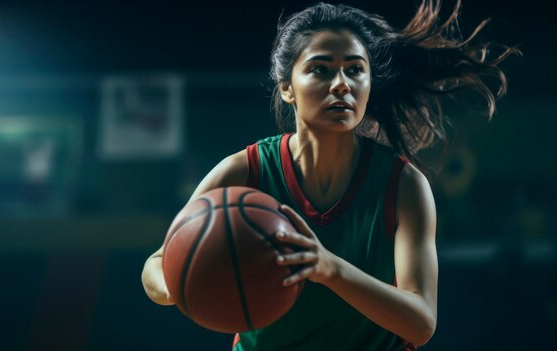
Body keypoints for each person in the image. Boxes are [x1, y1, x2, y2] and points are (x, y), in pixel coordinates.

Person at [142, 1, 517, 350]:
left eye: (355, 70)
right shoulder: (245, 172)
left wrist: (328, 267)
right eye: (321, 69)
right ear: (287, 88)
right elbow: (156, 265)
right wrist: (185, 279)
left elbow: (422, 321)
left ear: (370, 84)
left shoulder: (404, 185)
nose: (342, 84)